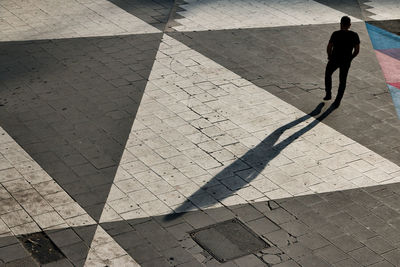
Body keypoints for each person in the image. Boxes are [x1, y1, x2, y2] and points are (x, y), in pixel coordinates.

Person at [324, 16, 360, 107]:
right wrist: (351, 58)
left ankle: (328, 93)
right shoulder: (354, 35)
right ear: (350, 25)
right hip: (346, 61)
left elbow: (329, 46)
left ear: (340, 24)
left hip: (335, 59)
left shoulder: (335, 34)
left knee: (328, 74)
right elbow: (356, 50)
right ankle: (337, 101)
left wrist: (329, 56)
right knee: (342, 81)